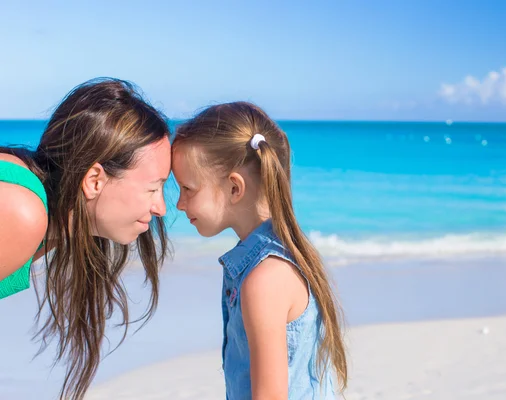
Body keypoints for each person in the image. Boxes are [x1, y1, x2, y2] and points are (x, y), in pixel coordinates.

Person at [0, 78, 172, 400]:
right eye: (153, 188)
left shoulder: (47, 221)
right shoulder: (21, 210)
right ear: (94, 180)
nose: (160, 208)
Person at [172, 101, 347, 399]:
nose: (179, 203)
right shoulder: (285, 256)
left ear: (234, 188)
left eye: (188, 188)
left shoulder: (264, 280)